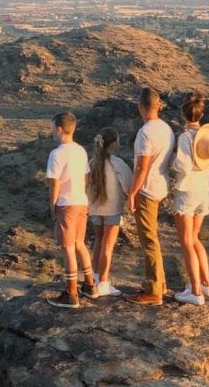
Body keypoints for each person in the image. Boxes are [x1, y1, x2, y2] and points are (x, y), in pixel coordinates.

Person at [171, 92, 209, 306]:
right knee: (195, 238)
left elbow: (182, 166)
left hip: (187, 191)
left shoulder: (185, 138)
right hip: (204, 190)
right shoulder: (207, 138)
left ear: (184, 115)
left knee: (186, 242)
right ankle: (206, 283)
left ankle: (194, 291)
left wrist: (171, 165)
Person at [126, 87, 175, 305]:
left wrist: (132, 192)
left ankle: (154, 291)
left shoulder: (145, 133)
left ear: (141, 107)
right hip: (161, 186)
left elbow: (141, 168)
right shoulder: (166, 129)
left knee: (148, 239)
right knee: (152, 236)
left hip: (147, 189)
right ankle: (160, 283)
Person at [45, 111, 98, 308]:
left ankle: (71, 293)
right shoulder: (80, 151)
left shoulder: (56, 154)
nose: (51, 133)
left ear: (59, 129)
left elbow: (54, 183)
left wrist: (53, 205)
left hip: (66, 203)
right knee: (79, 243)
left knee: (67, 247)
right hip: (81, 201)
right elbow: (86, 178)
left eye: (52, 129)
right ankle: (90, 286)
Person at [87, 127, 133, 297]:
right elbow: (128, 186)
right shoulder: (118, 164)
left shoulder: (92, 163)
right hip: (112, 210)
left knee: (98, 242)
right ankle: (104, 283)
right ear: (114, 144)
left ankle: (95, 276)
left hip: (95, 209)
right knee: (108, 245)